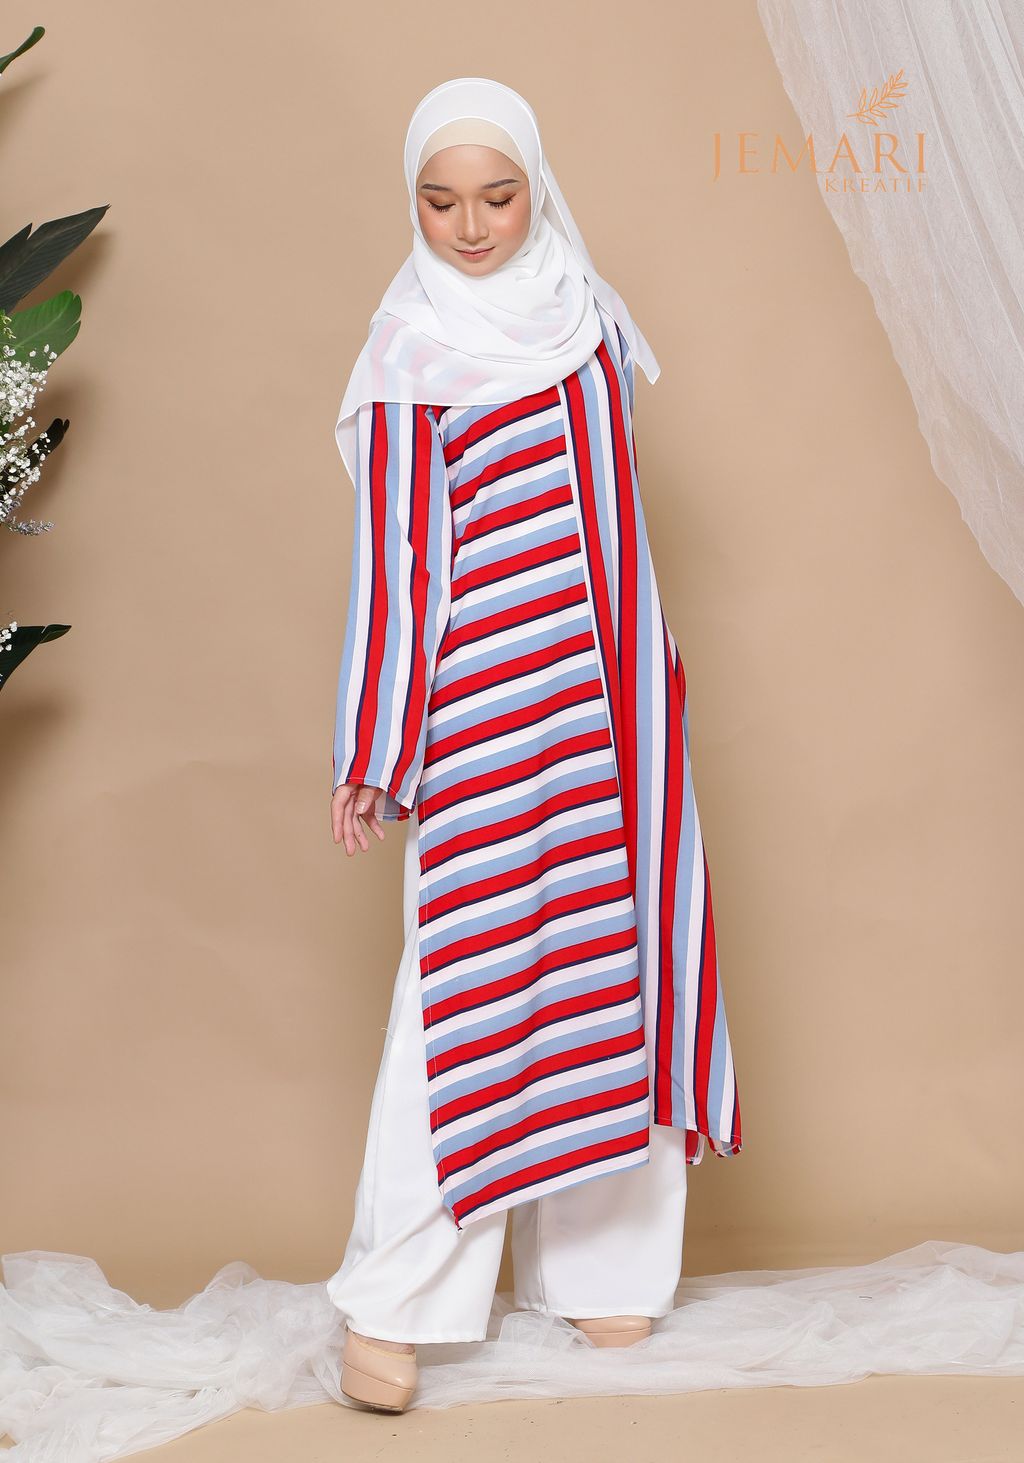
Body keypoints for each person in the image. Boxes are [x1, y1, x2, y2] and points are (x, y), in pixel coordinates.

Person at [326, 76, 743, 1414]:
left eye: (498, 198)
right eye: (440, 201)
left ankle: (607, 1274)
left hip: (614, 705)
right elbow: (401, 566)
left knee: (620, 956)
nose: (470, 228)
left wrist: (651, 678)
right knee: (469, 984)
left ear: (537, 190)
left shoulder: (587, 319)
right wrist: (378, 748)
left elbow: (623, 516)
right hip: (486, 721)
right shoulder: (408, 354)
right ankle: (395, 1303)